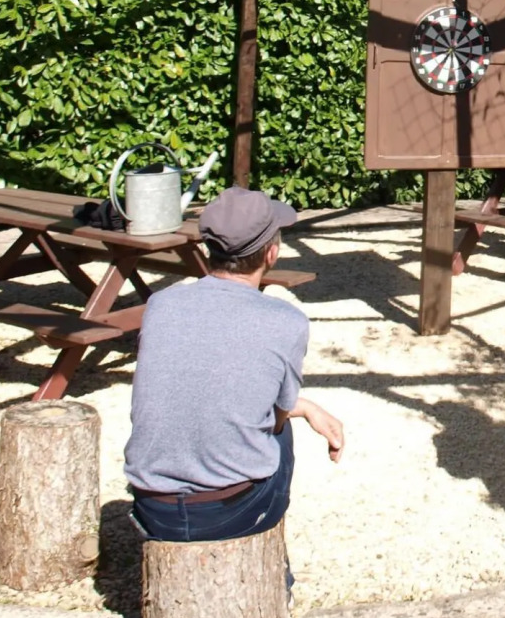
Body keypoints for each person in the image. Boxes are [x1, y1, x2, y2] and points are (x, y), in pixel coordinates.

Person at [125, 186, 344, 542]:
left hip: (153, 507)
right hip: (229, 512)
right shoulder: (285, 321)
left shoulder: (162, 304)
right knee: (280, 432)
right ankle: (275, 575)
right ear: (272, 253)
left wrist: (304, 407)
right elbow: (275, 415)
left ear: (207, 247)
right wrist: (298, 409)